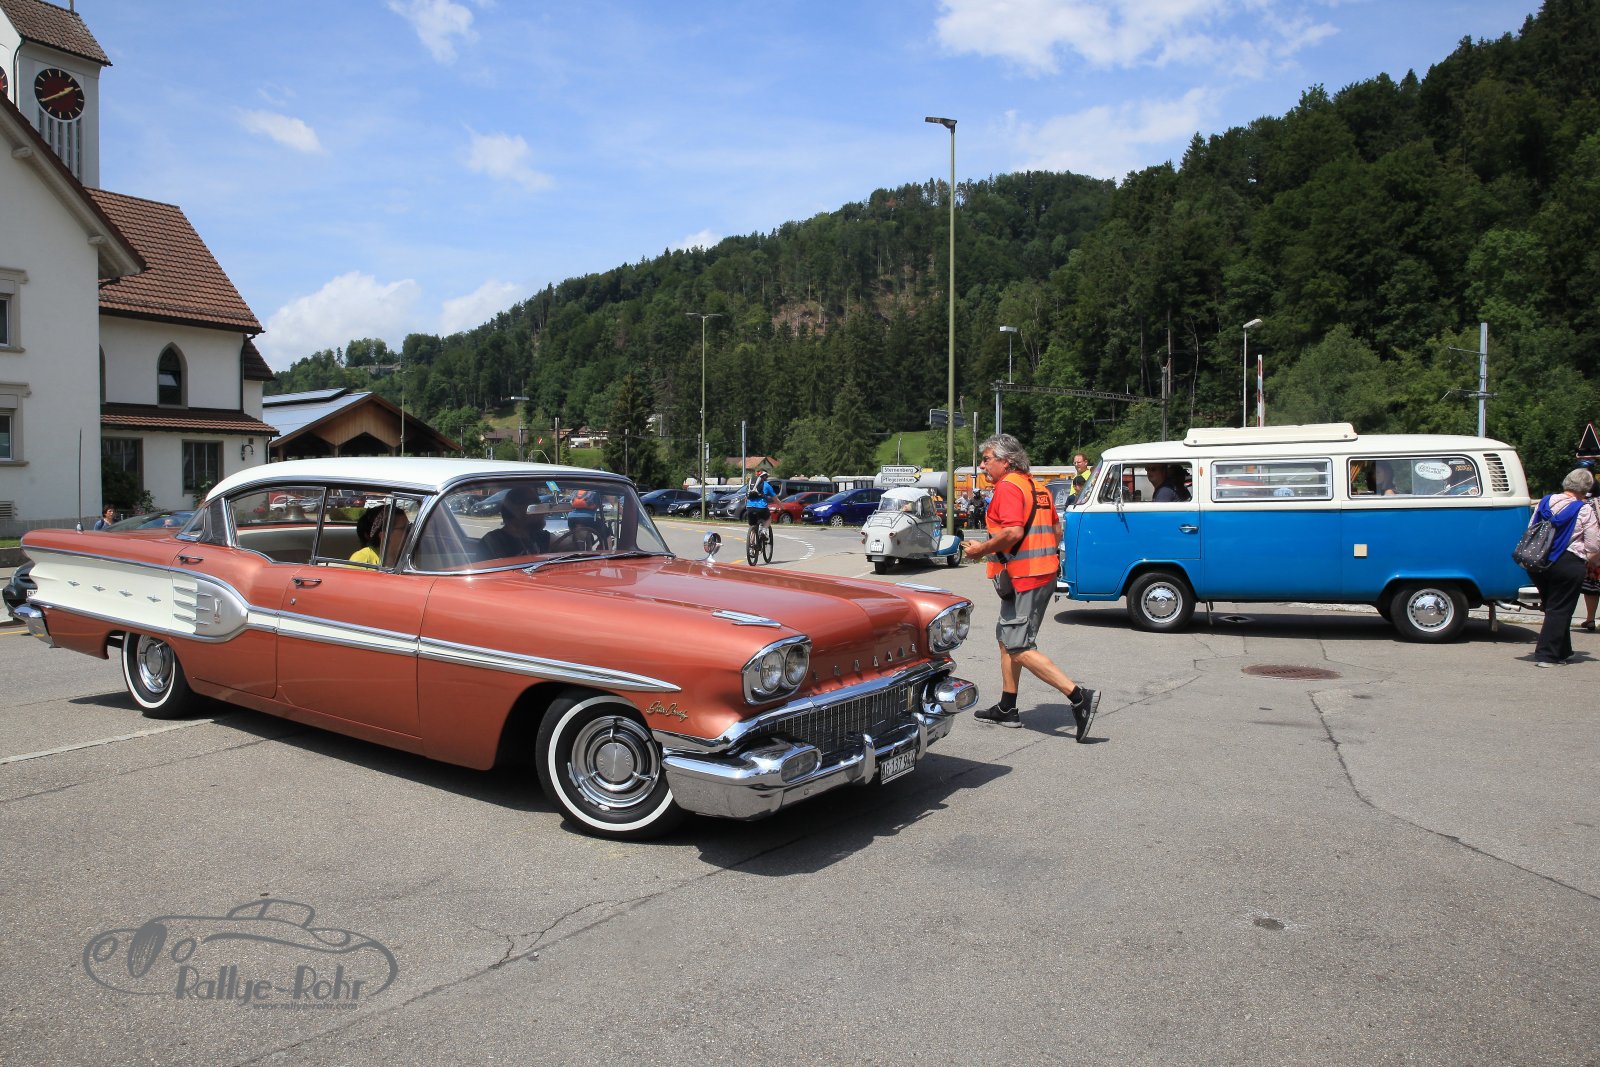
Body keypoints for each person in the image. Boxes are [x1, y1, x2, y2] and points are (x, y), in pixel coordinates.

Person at [961, 433, 1099, 741]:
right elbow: (1056, 530)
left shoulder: (1008, 487)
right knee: (1005, 638)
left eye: (986, 459)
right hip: (1039, 573)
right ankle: (1007, 707)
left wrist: (980, 550)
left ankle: (1079, 697)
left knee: (1019, 645)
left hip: (1025, 577)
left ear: (1005, 461)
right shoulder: (1038, 488)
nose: (982, 465)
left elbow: (1012, 532)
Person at [1526, 468, 1600, 666]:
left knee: (1555, 608)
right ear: (1586, 488)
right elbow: (1593, 545)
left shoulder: (1544, 502)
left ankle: (1563, 651)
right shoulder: (1583, 509)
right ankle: (1547, 655)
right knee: (1560, 609)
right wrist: (1592, 561)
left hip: (1538, 562)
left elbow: (1531, 528)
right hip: (1567, 562)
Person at [480, 485, 552, 559]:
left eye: (539, 502)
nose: (541, 509)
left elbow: (559, 544)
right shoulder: (493, 541)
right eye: (535, 503)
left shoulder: (542, 536)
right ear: (515, 509)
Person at [349, 504, 410, 569]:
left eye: (409, 527)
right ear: (385, 535)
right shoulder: (362, 558)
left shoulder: (409, 557)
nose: (410, 532)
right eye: (405, 528)